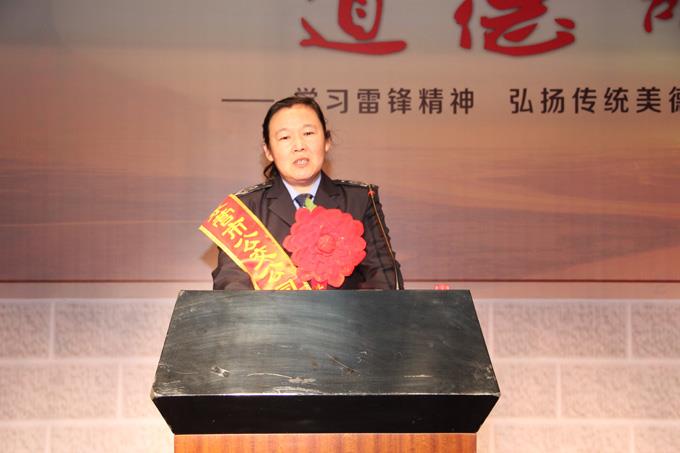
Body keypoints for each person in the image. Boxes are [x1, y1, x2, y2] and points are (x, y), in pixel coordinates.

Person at [211, 96, 403, 290]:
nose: (299, 145)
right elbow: (231, 285)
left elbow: (385, 279)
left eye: (308, 133)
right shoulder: (245, 209)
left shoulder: (360, 200)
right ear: (268, 151)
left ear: (327, 141)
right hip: (268, 312)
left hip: (348, 311)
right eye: (285, 137)